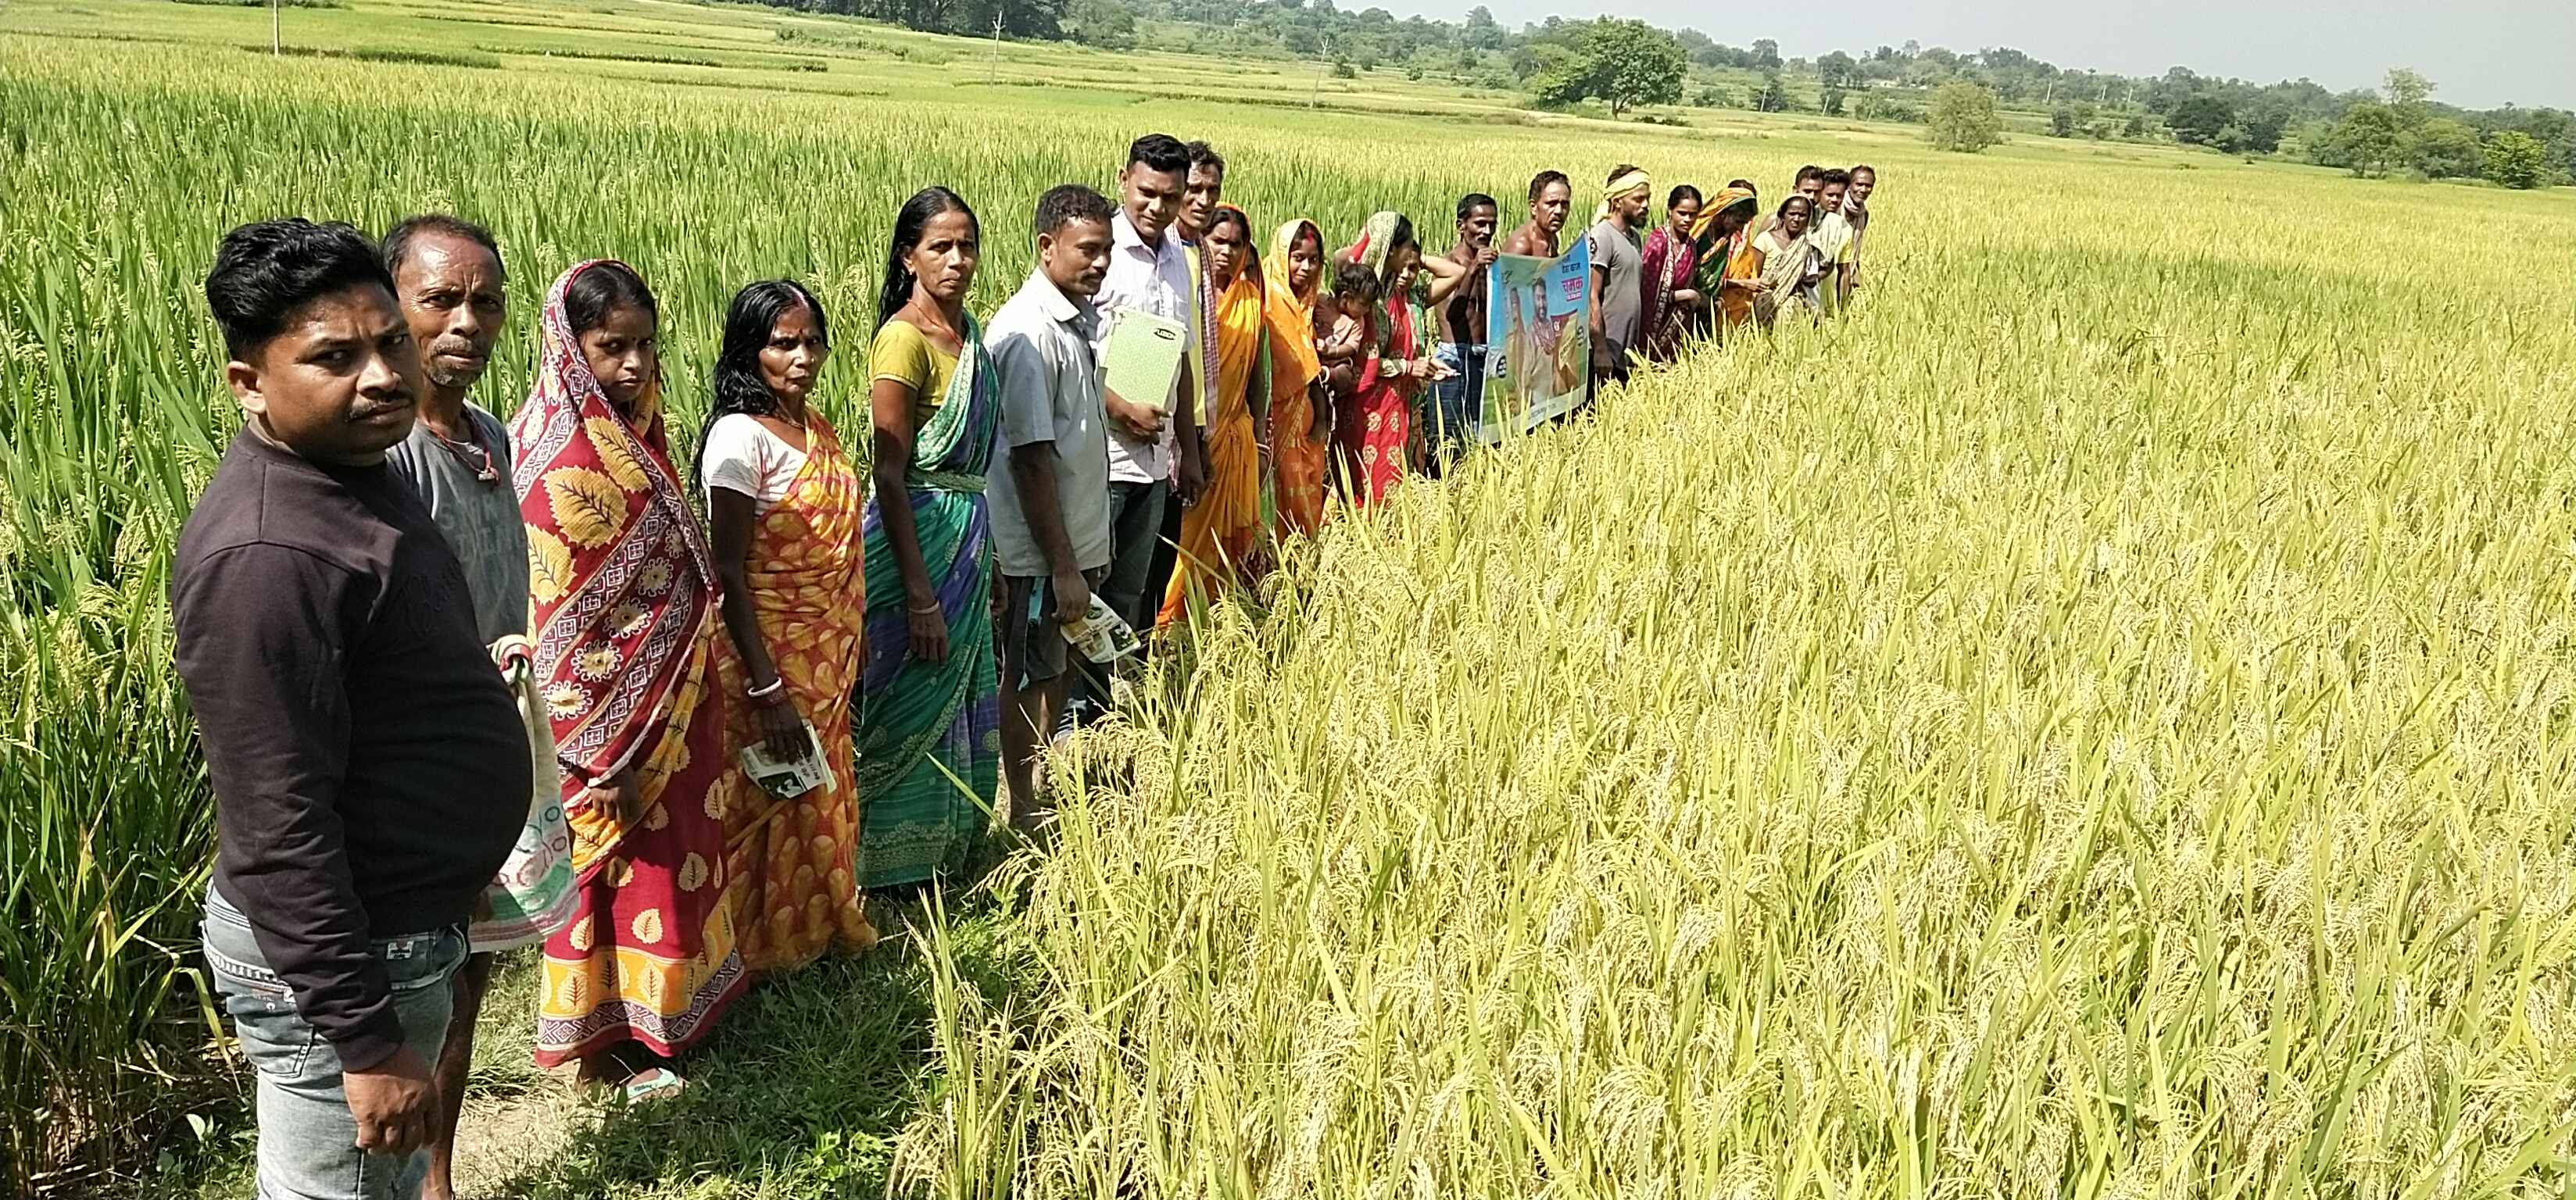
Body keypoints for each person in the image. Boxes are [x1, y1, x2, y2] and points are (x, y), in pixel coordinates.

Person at [178, 218, 528, 1198]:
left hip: (397, 924)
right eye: (334, 357)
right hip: (347, 967)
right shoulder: (267, 559)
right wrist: (365, 1042)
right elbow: (276, 826)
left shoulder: (352, 473)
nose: (381, 377)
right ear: (249, 382)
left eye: (389, 344)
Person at [510, 259, 750, 1100]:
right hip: (603, 732)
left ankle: (677, 1016)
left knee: (678, 859)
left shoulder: (638, 434)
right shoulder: (558, 457)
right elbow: (555, 620)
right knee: (614, 877)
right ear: (569, 348)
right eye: (612, 347)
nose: (636, 364)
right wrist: (599, 754)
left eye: (645, 344)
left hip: (677, 700)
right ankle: (607, 1046)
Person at [377, 214, 536, 1200]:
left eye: (484, 302)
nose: (465, 322)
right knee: (413, 987)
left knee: (466, 980)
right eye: (439, 299)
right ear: (390, 307)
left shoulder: (489, 437)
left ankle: (438, 1179)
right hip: (417, 764)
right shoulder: (387, 454)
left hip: (487, 746)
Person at [696, 276, 884, 971]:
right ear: (751, 351)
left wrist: (850, 632)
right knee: (778, 795)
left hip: (827, 647)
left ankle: (819, 927)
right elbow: (728, 574)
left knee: (820, 789)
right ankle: (754, 945)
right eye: (783, 344)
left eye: (812, 342)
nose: (802, 358)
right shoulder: (738, 439)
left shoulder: (814, 429)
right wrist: (767, 686)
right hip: (771, 652)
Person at [854, 188, 1001, 887]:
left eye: (967, 246)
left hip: (968, 533)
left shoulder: (971, 337)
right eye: (940, 246)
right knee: (906, 691)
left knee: (961, 688)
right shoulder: (903, 339)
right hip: (916, 537)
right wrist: (920, 595)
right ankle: (887, 864)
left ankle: (944, 849)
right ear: (908, 257)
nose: (956, 259)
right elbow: (889, 472)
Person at [986, 183, 1117, 830]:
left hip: (1073, 541)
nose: (1101, 262)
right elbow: (1030, 460)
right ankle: (1020, 802)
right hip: (1037, 552)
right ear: (1046, 246)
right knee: (1028, 673)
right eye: (1088, 249)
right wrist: (1062, 564)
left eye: (1106, 249)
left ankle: (1038, 783)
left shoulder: (1076, 320)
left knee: (1057, 666)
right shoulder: (1026, 334)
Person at [1075, 133, 1200, 730]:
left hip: (1153, 461)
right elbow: (1070, 352)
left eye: (1170, 197)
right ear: (1124, 179)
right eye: (1147, 192)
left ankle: (1103, 715)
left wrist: (1189, 450)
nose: (1157, 207)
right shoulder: (1098, 252)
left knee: (1127, 593)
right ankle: (1069, 719)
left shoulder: (1178, 258)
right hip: (1097, 456)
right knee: (1085, 590)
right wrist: (1120, 408)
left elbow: (1183, 361)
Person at [1157, 204, 1271, 630]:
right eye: (1217, 241)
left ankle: (1219, 618)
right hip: (1193, 435)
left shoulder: (1251, 302)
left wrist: (1260, 438)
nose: (1226, 251)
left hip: (1236, 438)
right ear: (1202, 242)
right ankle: (1171, 618)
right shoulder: (1186, 292)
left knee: (1228, 535)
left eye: (1236, 244)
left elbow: (1256, 377)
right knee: (1186, 533)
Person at [1142, 141, 1229, 636]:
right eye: (1192, 190)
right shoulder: (1156, 254)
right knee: (1130, 566)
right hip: (1143, 431)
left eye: (1210, 190)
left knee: (1160, 555)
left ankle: (1145, 657)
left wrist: (1196, 440)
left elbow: (1190, 354)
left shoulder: (1190, 253)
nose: (1202, 200)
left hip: (1183, 428)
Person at [1333, 212, 1466, 503]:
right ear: (1391, 248)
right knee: (1368, 487)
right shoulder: (1366, 298)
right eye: (1405, 247)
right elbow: (1361, 362)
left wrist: (1416, 258)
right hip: (1367, 407)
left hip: (1400, 402)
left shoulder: (1403, 296)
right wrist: (1409, 366)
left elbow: (1456, 273)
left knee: (1396, 486)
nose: (1408, 264)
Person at [1263, 218, 1332, 538]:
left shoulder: (1309, 304)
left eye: (1313, 260)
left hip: (1304, 417)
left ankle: (1302, 558)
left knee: (1306, 485)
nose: (1306, 267)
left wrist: (1321, 414)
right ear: (1282, 255)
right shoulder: (1268, 297)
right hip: (1273, 415)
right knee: (1278, 491)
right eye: (1298, 258)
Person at [1428, 193, 1498, 469]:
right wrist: (1473, 269)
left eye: (1492, 224)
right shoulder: (1451, 266)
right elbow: (1453, 314)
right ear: (1461, 226)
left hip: (1484, 359)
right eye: (1480, 224)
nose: (1487, 231)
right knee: (1449, 446)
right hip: (1455, 359)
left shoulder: (1492, 265)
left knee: (1483, 442)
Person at [1586, 165, 1651, 387]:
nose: (1645, 205)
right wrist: (1600, 348)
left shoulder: (1634, 238)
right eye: (1638, 199)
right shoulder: (1603, 236)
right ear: (1617, 201)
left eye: (1647, 198)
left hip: (1625, 353)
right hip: (1606, 354)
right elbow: (1591, 295)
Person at [1637, 185, 1701, 362]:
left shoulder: (1691, 246)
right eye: (1682, 213)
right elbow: (1647, 291)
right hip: (1652, 325)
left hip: (1678, 326)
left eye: (1693, 215)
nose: (1687, 219)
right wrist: (1683, 295)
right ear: (1670, 211)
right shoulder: (1658, 242)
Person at [1690, 182, 1763, 335]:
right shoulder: (1697, 233)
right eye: (1739, 221)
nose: (1740, 228)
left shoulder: (1725, 238)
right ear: (1724, 213)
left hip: (1707, 306)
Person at [1748, 195, 1820, 326]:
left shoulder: (1807, 246)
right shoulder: (1765, 239)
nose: (1796, 219)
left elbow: (1809, 277)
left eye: (1802, 215)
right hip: (1765, 297)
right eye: (1792, 214)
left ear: (1808, 219)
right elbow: (1753, 275)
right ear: (1783, 215)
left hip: (1792, 299)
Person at [1808, 169, 1859, 314]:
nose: (1835, 200)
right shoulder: (1803, 219)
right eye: (1830, 195)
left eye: (1839, 196)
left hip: (1824, 295)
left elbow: (1844, 270)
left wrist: (1843, 309)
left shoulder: (1844, 228)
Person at [1501, 170, 1572, 258]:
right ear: (1533, 207)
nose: (1559, 211)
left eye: (1565, 204)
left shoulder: (1551, 237)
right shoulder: (1521, 247)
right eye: (1551, 204)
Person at [1843, 164, 1877, 288]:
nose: (1863, 189)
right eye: (1859, 184)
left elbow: (1855, 250)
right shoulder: (1835, 208)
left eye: (1868, 186)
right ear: (1849, 185)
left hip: (1848, 273)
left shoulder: (1863, 215)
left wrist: (1856, 279)